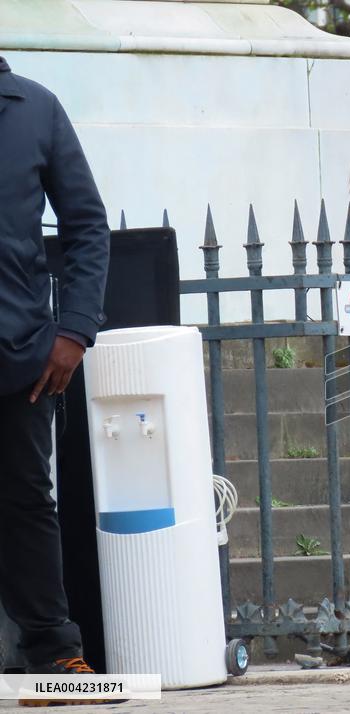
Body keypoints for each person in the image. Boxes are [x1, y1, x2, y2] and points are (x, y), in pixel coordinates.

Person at [0, 56, 111, 703]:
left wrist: (73, 332)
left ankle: (57, 659)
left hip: (19, 355)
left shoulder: (35, 109)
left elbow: (87, 226)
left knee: (24, 506)